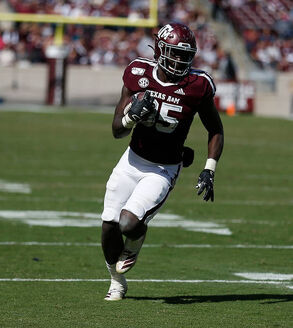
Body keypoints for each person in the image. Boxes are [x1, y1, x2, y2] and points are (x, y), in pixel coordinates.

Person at [101, 22, 224, 301]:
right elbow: (117, 130)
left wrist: (209, 168)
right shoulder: (138, 73)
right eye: (174, 53)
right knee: (109, 223)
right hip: (131, 160)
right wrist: (132, 116)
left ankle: (134, 244)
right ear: (159, 50)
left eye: (185, 55)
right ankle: (116, 280)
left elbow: (215, 129)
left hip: (163, 168)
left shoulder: (197, 85)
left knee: (129, 223)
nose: (180, 60)